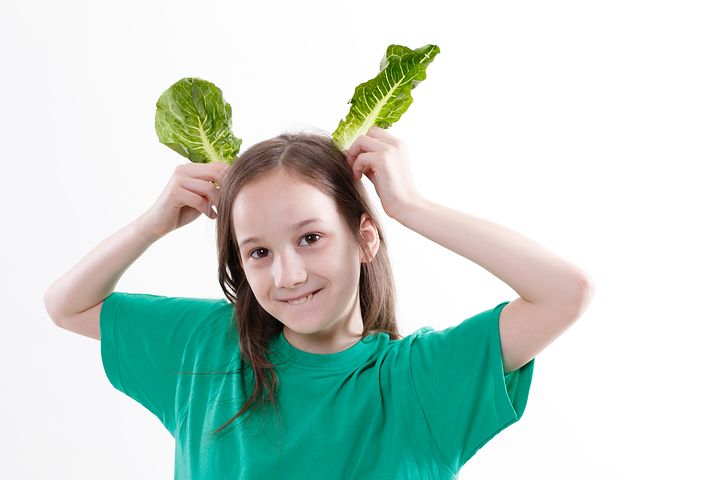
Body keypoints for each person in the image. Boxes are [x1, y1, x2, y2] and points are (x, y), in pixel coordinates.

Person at [44, 125, 594, 479]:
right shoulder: (207, 347)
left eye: (310, 238)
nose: (288, 274)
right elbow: (67, 305)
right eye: (258, 251)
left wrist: (413, 208)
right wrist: (152, 223)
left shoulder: (420, 382)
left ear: (365, 238)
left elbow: (565, 294)